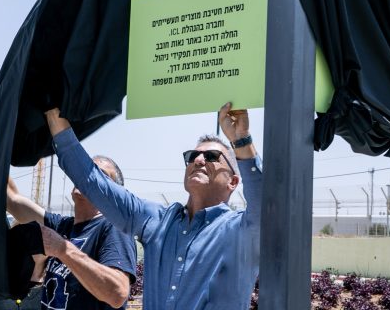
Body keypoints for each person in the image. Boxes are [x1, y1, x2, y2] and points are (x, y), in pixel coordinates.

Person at [46, 102, 262, 310]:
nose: (198, 160)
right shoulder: (158, 221)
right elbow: (94, 184)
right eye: (192, 156)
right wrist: (52, 112)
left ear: (233, 182)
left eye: (211, 156)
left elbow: (267, 205)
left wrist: (241, 140)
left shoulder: (243, 231)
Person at [6, 155, 137, 310]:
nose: (86, 174)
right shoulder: (62, 226)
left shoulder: (114, 228)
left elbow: (117, 293)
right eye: (84, 168)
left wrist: (63, 250)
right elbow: (12, 200)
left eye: (99, 173)